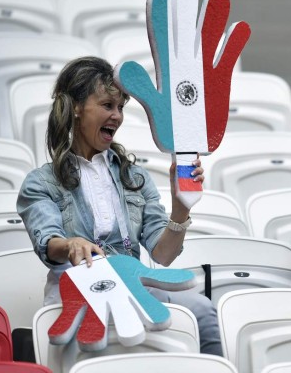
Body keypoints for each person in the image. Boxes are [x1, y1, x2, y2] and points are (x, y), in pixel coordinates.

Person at [16, 56, 222, 355]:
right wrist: (71, 244)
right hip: (77, 290)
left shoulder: (134, 176)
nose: (117, 116)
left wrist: (181, 210)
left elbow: (163, 255)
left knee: (201, 309)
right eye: (107, 105)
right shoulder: (41, 182)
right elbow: (47, 242)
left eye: (120, 108)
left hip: (133, 285)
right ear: (76, 107)